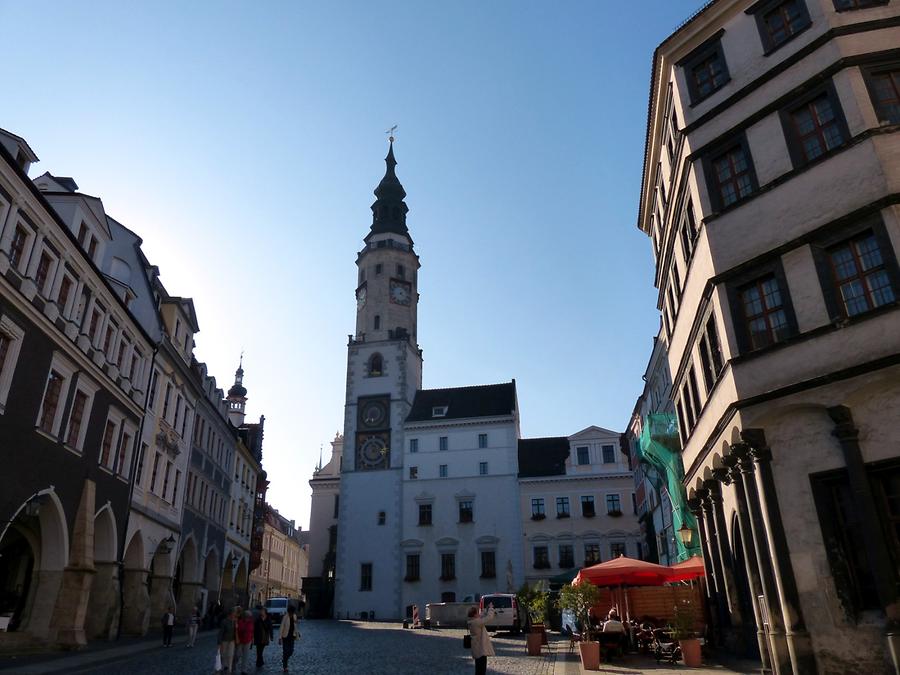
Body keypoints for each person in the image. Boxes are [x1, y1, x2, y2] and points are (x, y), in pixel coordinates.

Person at [467, 604, 495, 675]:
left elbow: (481, 616)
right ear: (475, 614)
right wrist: (491, 609)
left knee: (479, 669)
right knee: (481, 670)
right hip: (481, 649)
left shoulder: (472, 621)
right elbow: (489, 618)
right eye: (477, 612)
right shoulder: (476, 622)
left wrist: (486, 609)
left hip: (477, 649)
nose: (479, 614)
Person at [278, 605, 300, 673]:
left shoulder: (295, 616)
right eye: (291, 612)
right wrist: (280, 637)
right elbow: (281, 627)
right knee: (285, 651)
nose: (292, 614)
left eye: (293, 612)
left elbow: (295, 626)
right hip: (285, 636)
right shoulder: (285, 617)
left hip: (292, 636)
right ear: (289, 612)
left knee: (291, 651)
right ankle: (285, 667)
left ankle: (284, 659)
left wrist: (297, 633)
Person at [218, 607, 238, 673]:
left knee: (230, 654)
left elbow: (236, 631)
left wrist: (236, 627)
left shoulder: (235, 621)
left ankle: (229, 669)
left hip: (232, 641)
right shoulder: (224, 621)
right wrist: (219, 643)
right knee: (223, 654)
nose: (235, 614)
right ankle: (223, 667)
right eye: (234, 613)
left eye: (235, 613)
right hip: (224, 640)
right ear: (231, 613)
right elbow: (221, 633)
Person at [233, 609, 254, 675]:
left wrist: (252, 639)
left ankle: (243, 670)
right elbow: (237, 630)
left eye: (249, 617)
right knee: (237, 655)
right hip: (240, 641)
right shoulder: (240, 622)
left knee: (246, 656)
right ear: (244, 616)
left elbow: (252, 631)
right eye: (247, 616)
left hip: (248, 641)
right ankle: (233, 666)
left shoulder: (251, 622)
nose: (248, 618)